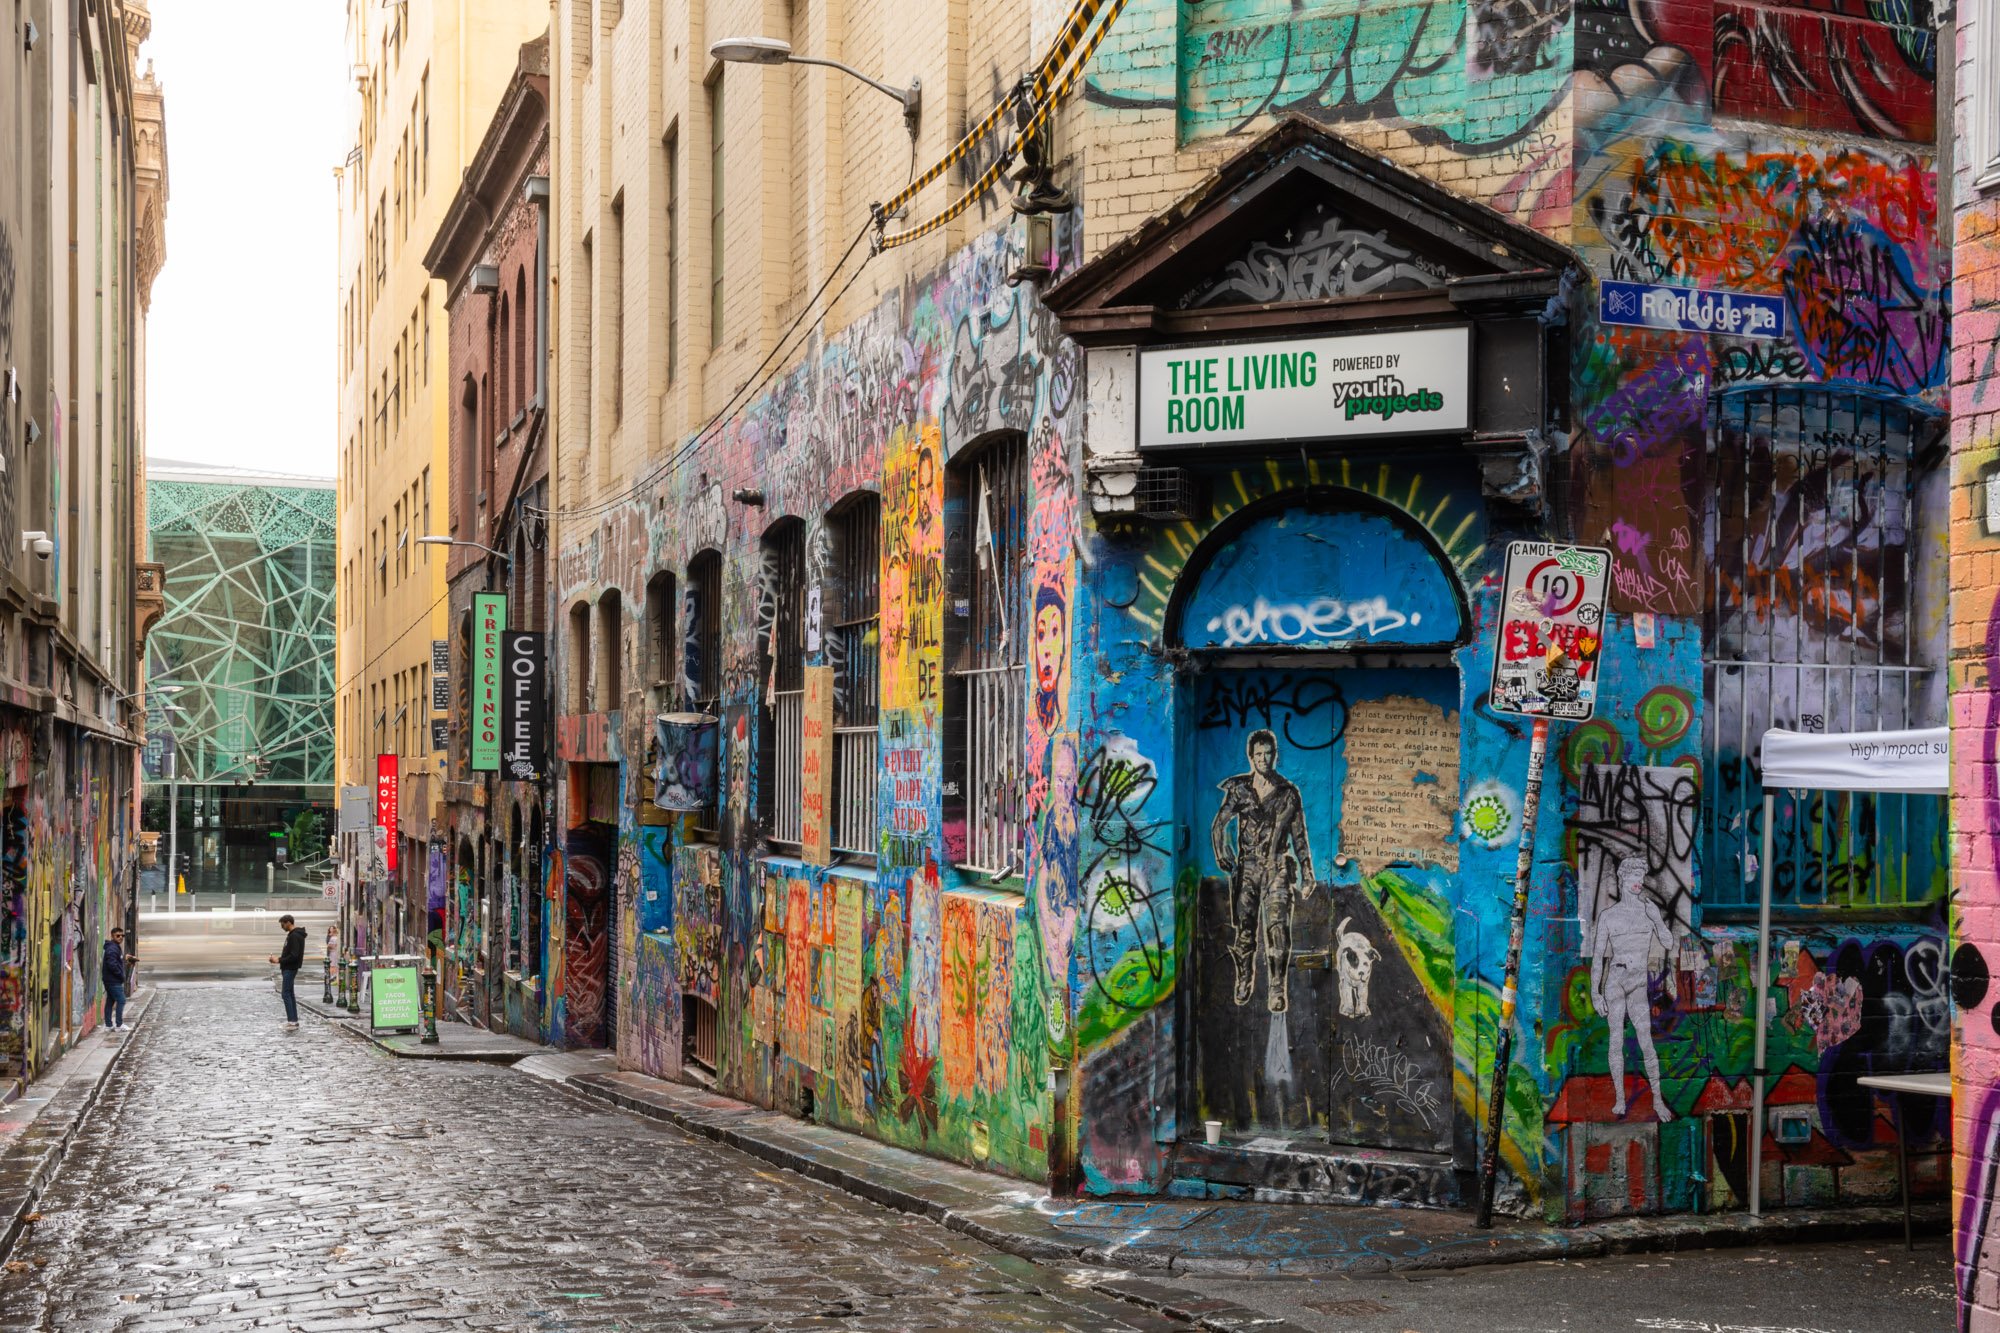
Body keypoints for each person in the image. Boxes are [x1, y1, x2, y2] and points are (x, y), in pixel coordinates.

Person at [1210, 728, 1314, 1013]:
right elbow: (1219, 823)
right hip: (1248, 869)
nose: (1263, 759)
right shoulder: (1240, 789)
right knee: (1245, 930)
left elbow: (1299, 836)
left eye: (1268, 754)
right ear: (1251, 756)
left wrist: (1307, 871)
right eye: (1259, 754)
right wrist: (1222, 851)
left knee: (1278, 928)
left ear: (1275, 755)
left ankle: (1277, 987)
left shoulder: (1288, 793)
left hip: (1277, 868)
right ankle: (1244, 980)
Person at [1592, 856, 1677, 1121]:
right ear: (1622, 879)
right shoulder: (1608, 916)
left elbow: (1668, 942)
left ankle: (1657, 1100)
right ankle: (1620, 1100)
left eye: (1641, 877)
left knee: (1646, 1041)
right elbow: (1598, 957)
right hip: (1616, 982)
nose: (1638, 882)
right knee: (1616, 1039)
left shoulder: (1648, 911)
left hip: (1638, 983)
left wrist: (1657, 919)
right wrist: (1595, 993)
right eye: (1633, 877)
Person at [269, 914, 307, 1031]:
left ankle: (292, 1021)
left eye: (282, 924)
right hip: (289, 968)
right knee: (290, 993)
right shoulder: (293, 935)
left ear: (288, 922)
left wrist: (279, 960)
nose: (282, 927)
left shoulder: (294, 936)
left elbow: (294, 955)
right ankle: (293, 1020)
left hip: (290, 968)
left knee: (285, 994)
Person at [101, 928, 129, 1032]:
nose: (121, 937)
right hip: (113, 980)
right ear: (112, 936)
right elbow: (112, 964)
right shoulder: (112, 949)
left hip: (110, 980)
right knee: (121, 1000)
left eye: (122, 935)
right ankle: (119, 1025)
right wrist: (120, 975)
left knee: (110, 1001)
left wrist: (125, 958)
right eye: (118, 935)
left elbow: (115, 961)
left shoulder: (115, 947)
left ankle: (108, 1025)